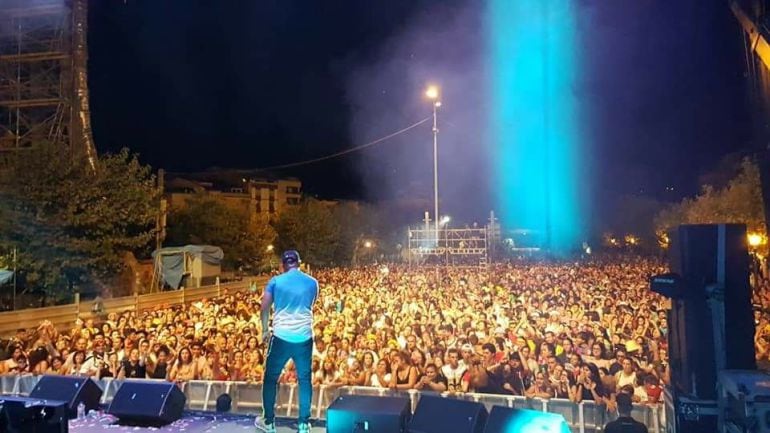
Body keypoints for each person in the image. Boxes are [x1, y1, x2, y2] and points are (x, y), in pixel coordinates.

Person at [255, 250, 318, 433]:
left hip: (281, 336)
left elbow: (264, 307)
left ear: (283, 264)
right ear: (299, 263)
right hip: (304, 337)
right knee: (305, 380)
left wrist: (265, 329)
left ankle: (269, 422)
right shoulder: (313, 283)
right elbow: (311, 304)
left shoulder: (275, 281)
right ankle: (304, 424)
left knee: (270, 378)